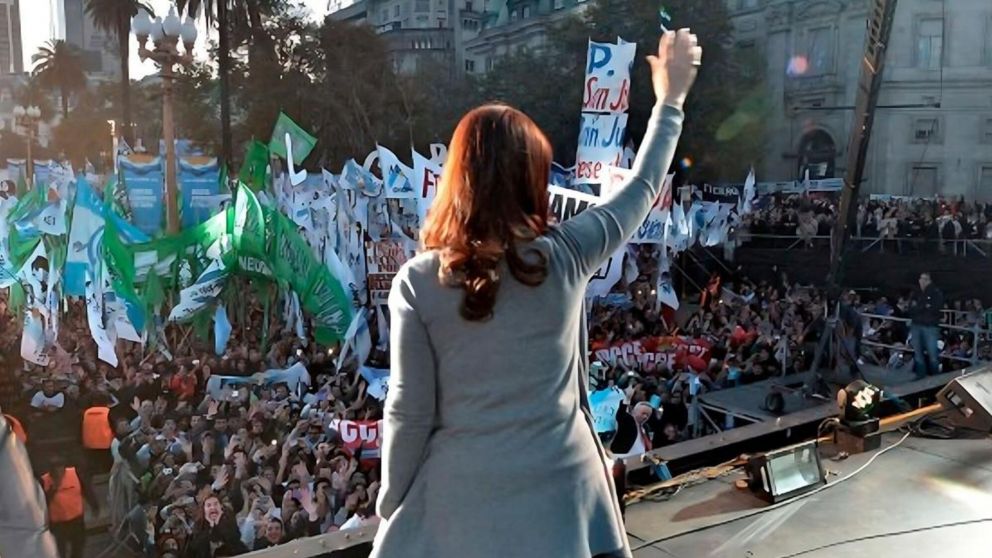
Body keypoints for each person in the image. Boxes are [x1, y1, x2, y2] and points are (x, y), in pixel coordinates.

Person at [371, 29, 700, 558]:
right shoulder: (568, 253)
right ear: (532, 179)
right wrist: (671, 102)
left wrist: (393, 503)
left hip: (459, 502)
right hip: (566, 498)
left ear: (458, 179)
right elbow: (641, 189)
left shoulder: (417, 281)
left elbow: (409, 413)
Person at [41, 456, 100, 558]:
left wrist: (94, 505)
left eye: (60, 468)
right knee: (60, 551)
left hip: (76, 520)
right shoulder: (45, 481)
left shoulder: (74, 474)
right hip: (58, 524)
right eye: (55, 469)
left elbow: (86, 490)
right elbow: (42, 502)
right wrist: (53, 488)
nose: (58, 472)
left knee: (78, 548)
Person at [909, 272, 944, 377]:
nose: (922, 281)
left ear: (929, 281)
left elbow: (935, 308)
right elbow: (910, 308)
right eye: (921, 279)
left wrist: (919, 307)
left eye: (925, 279)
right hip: (916, 325)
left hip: (930, 326)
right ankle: (920, 376)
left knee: (933, 354)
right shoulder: (916, 292)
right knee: (918, 353)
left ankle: (935, 377)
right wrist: (923, 306)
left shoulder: (936, 293)